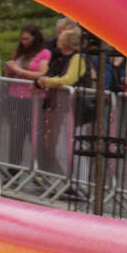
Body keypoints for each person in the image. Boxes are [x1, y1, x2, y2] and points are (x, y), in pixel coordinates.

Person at [35, 26, 89, 174]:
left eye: (61, 37)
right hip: (66, 108)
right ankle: (69, 181)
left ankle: (81, 185)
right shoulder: (62, 57)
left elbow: (69, 79)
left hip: (78, 109)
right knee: (61, 148)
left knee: (75, 148)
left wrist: (47, 81)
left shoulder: (78, 58)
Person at [4, 26, 50, 167]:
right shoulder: (19, 52)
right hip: (15, 97)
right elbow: (10, 74)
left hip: (33, 99)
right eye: (22, 39)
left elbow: (42, 74)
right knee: (16, 134)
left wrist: (19, 70)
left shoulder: (44, 53)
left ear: (35, 38)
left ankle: (39, 169)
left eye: (27, 39)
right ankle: (13, 169)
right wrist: (10, 70)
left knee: (34, 135)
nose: (24, 42)